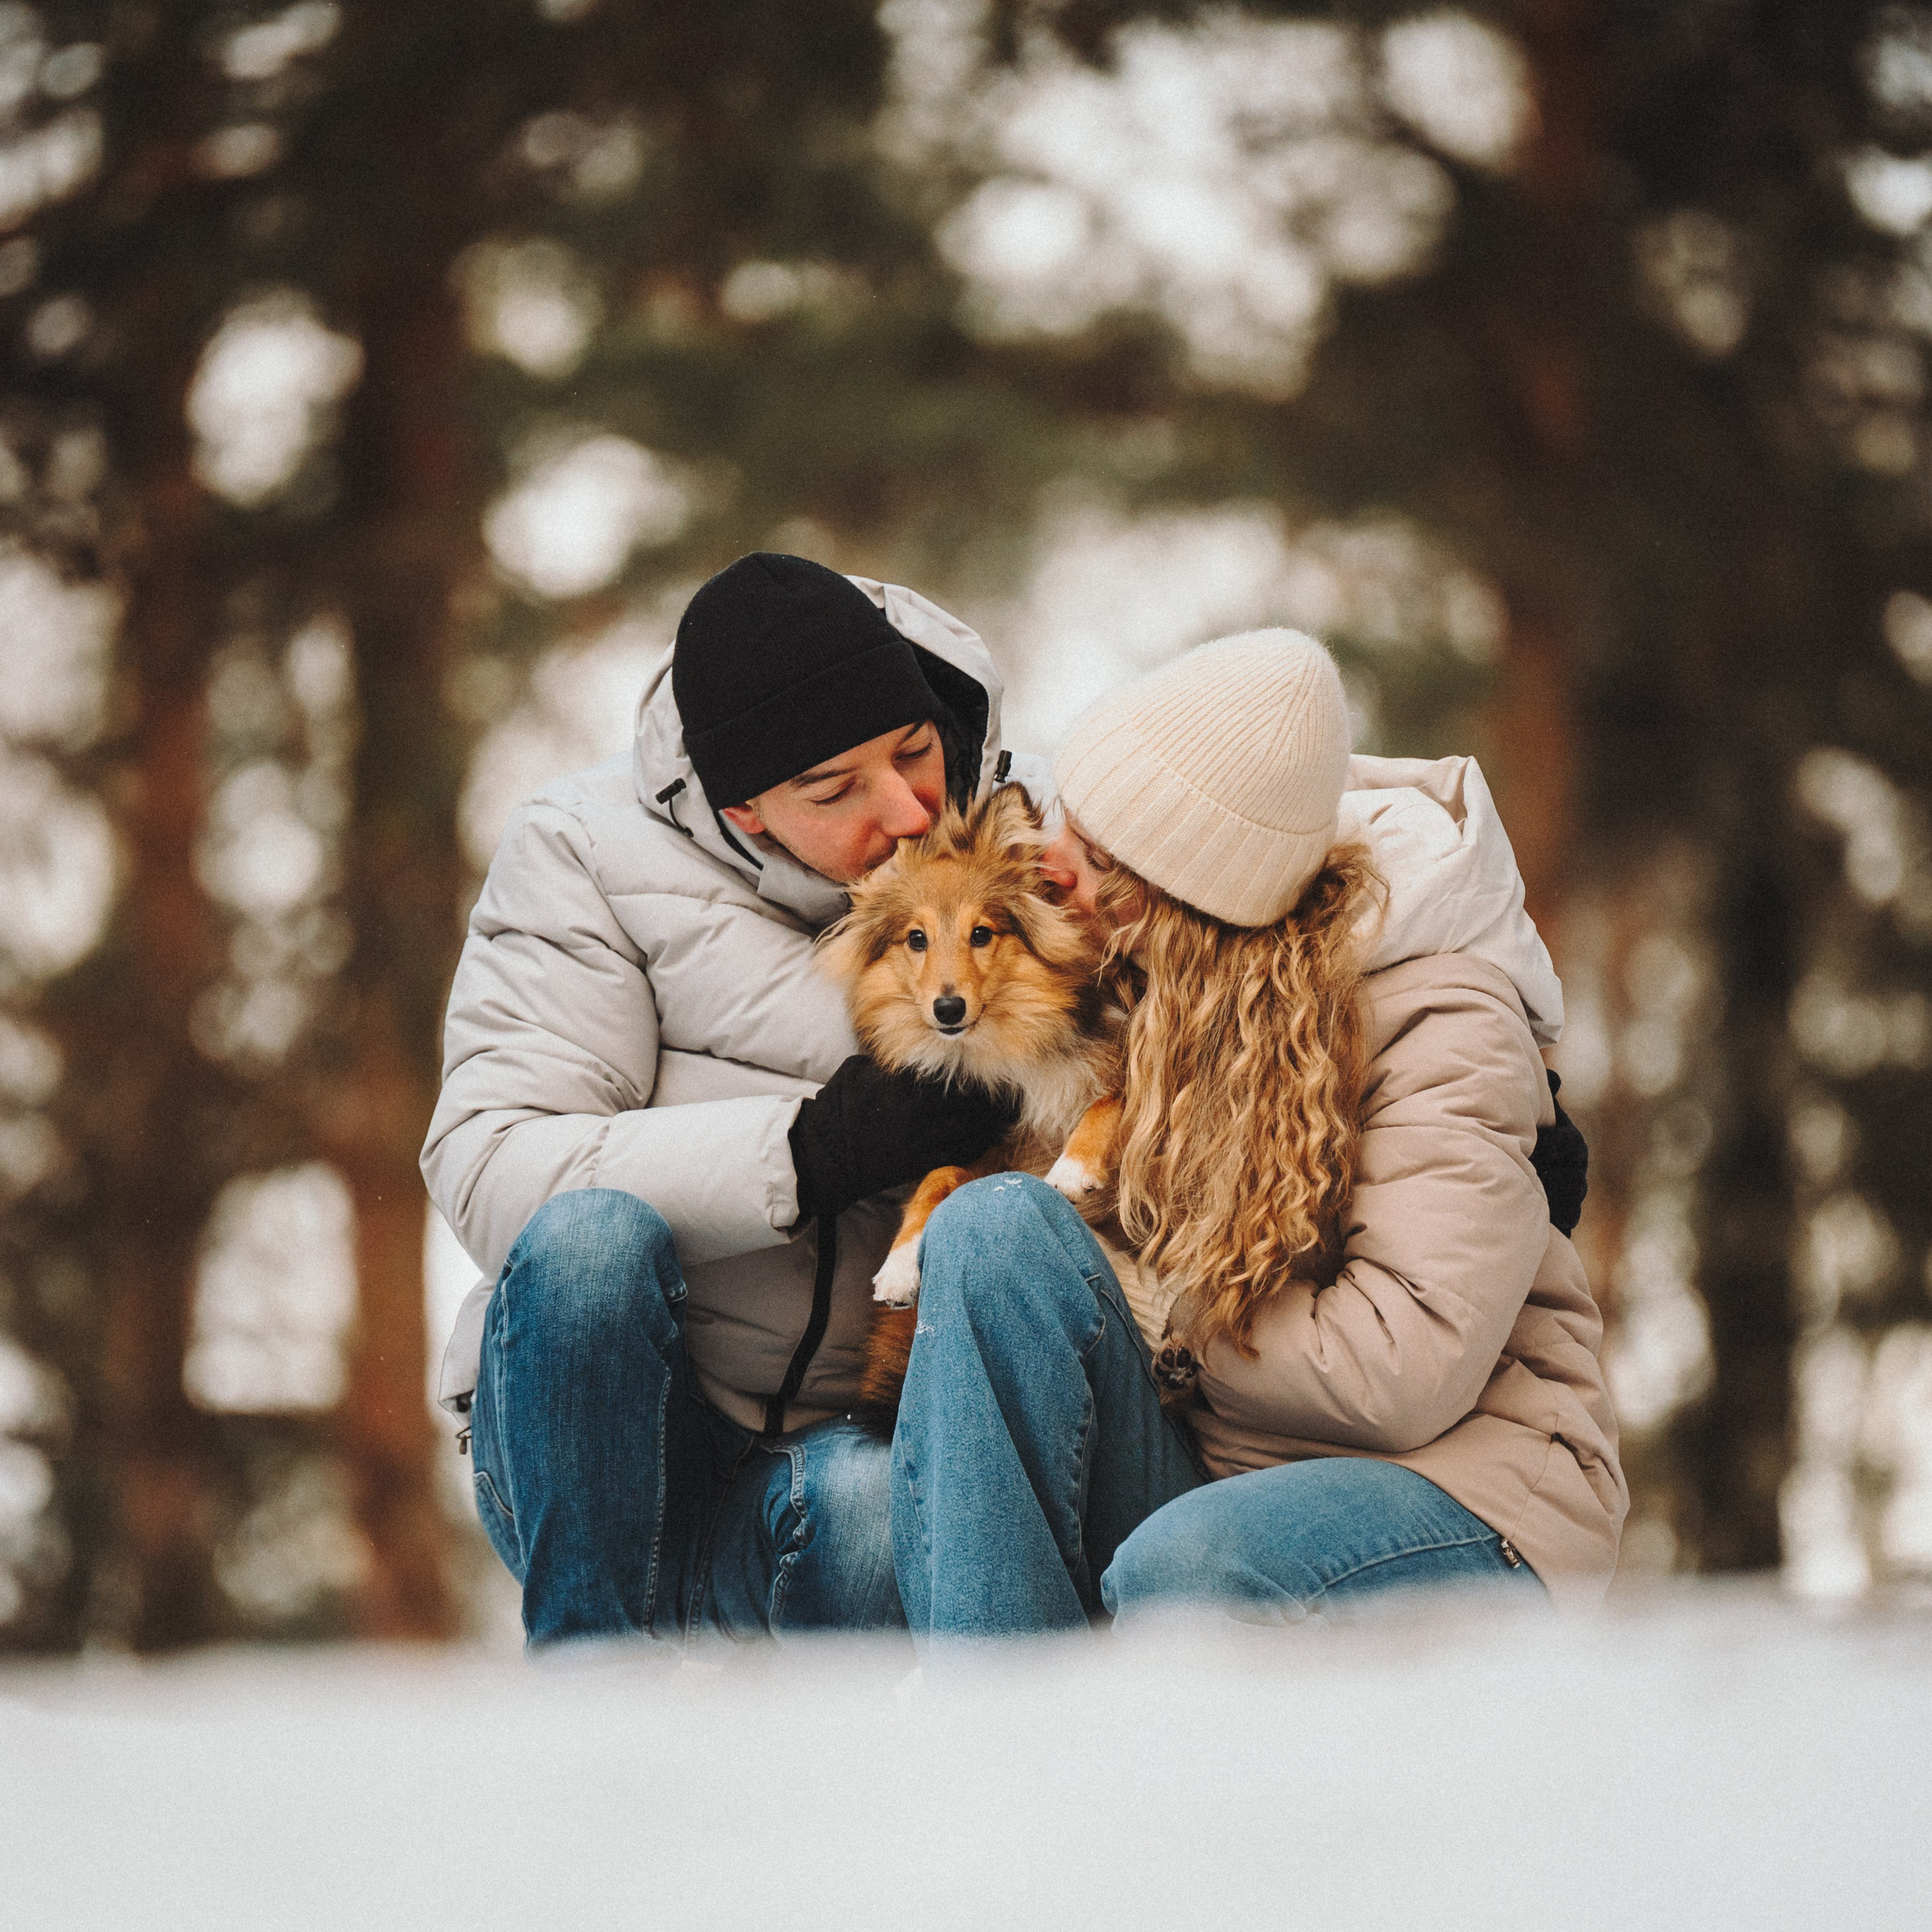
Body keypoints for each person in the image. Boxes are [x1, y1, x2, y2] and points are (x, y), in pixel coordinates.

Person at [889, 629, 1626, 1638]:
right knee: (992, 1228)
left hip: (1460, 1495)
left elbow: (1397, 1375)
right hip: (1218, 1466)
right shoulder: (1140, 989)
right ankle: (996, 1738)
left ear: (1180, 904)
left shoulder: (1444, 1021)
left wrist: (1164, 1314)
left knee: (1192, 1564)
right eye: (1070, 817)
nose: (1051, 866)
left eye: (1096, 855)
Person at [420, 552, 1037, 1646]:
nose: (905, 812)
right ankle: (595, 1710)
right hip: (601, 1429)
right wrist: (804, 1154)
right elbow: (493, 1163)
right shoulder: (581, 852)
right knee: (587, 1242)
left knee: (875, 1526)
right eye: (837, 790)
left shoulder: (1016, 847)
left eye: (913, 753)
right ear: (745, 808)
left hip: (839, 1445)